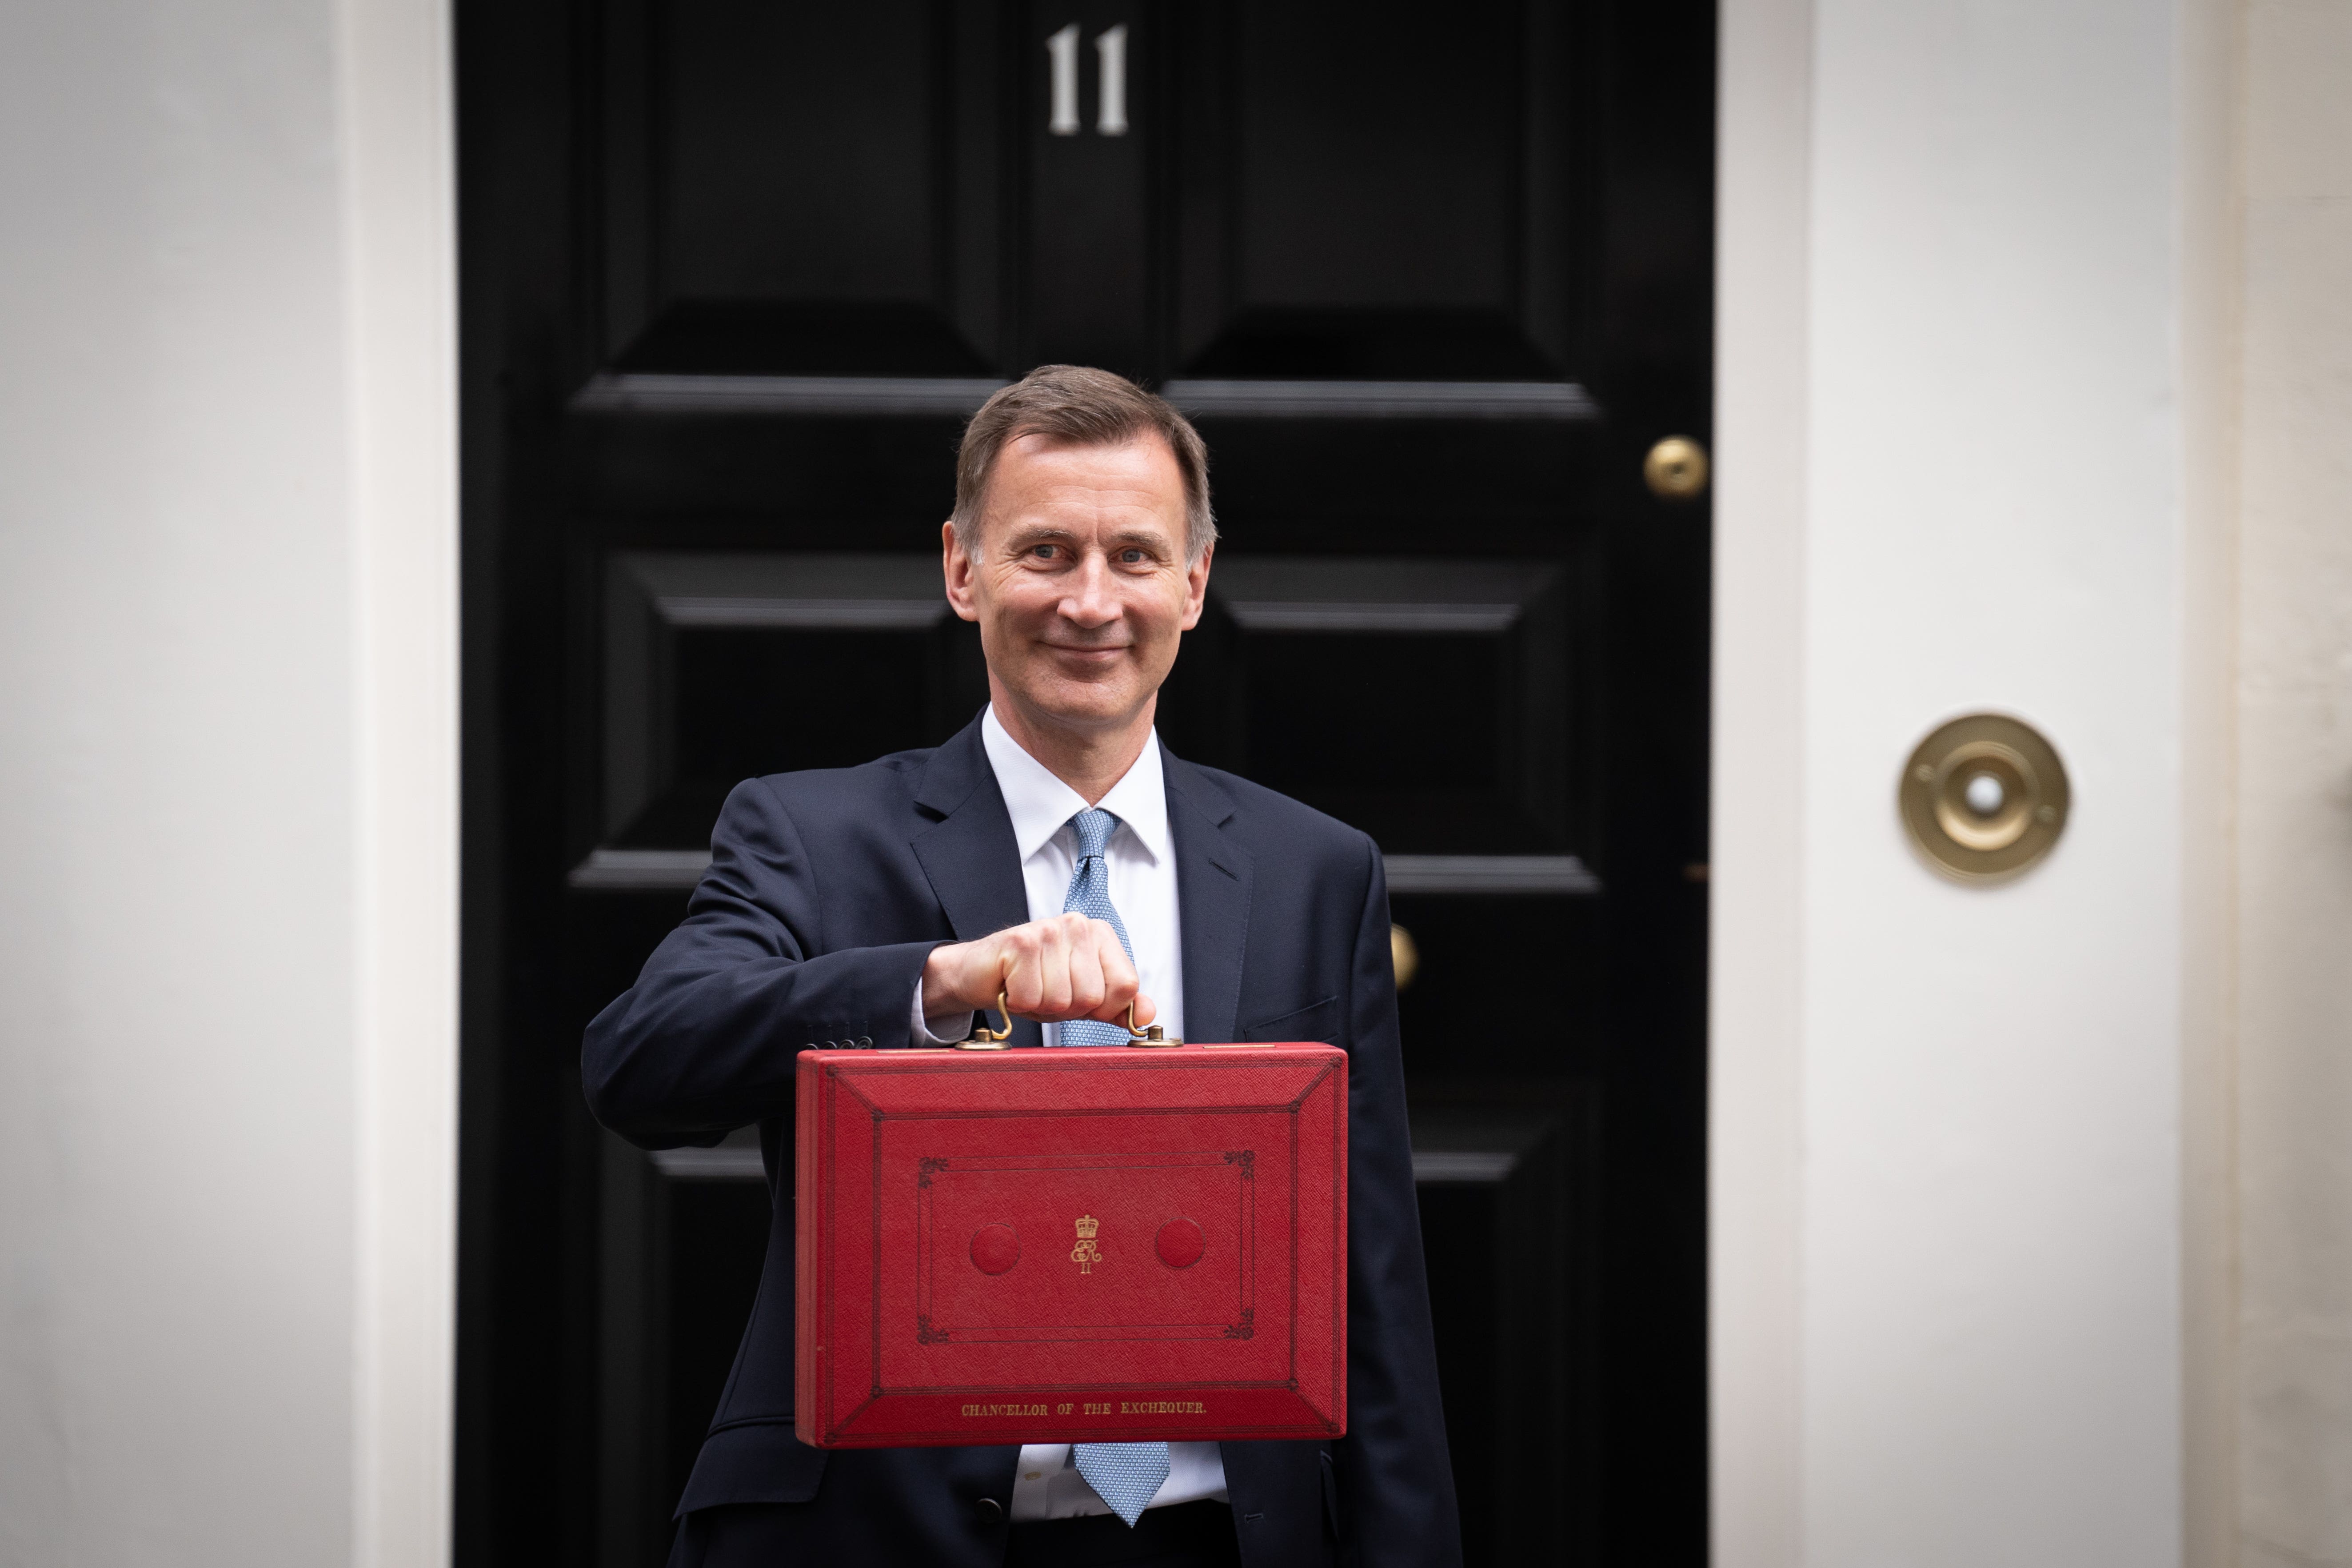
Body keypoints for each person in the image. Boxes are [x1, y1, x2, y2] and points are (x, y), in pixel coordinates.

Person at [583, 365, 1460, 1568]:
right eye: (1044, 551)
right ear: (963, 569)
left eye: (1136, 556)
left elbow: (1375, 1287)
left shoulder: (1318, 867)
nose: (1090, 601)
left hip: (1220, 1537)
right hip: (875, 1539)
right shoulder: (810, 833)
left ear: (1196, 581)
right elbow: (640, 1062)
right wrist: (938, 983)